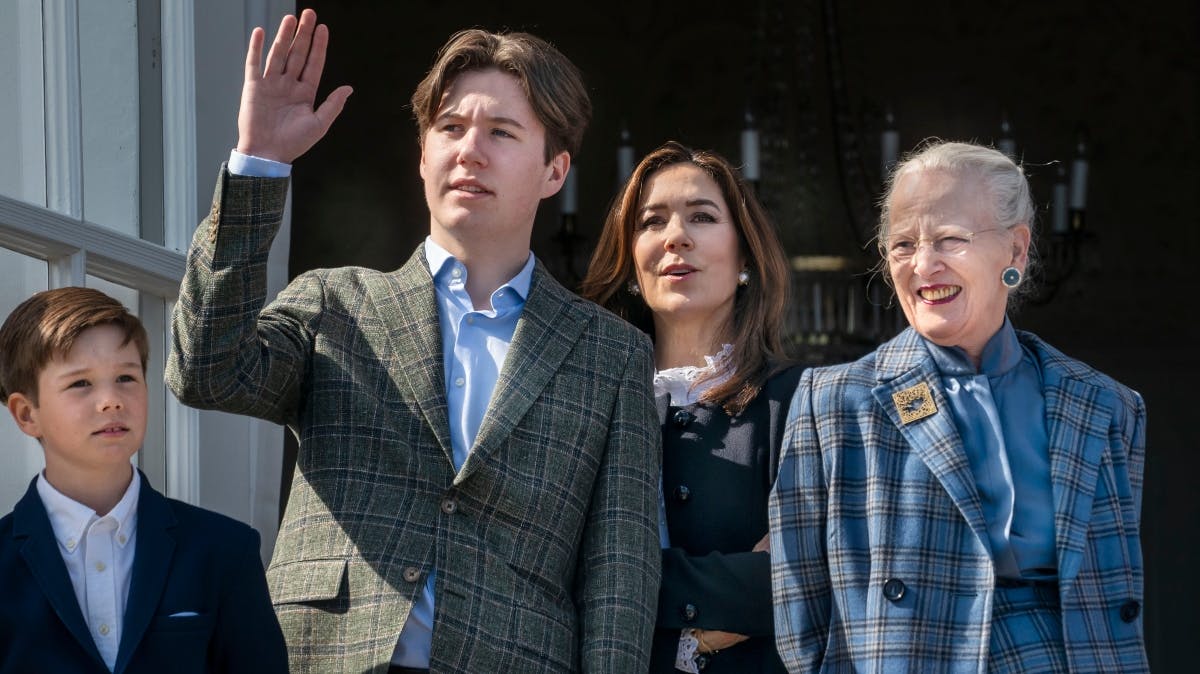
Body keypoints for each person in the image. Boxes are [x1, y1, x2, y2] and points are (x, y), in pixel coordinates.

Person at [165, 10, 660, 674]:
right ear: (423, 153)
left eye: (501, 132)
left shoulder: (611, 354)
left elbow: (619, 577)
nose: (469, 150)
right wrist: (260, 163)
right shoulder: (334, 302)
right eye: (450, 128)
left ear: (554, 171)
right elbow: (205, 369)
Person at [769, 140, 1148, 672]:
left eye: (950, 238)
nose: (924, 265)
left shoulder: (1106, 405)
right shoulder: (832, 403)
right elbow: (798, 610)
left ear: (1015, 251)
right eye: (903, 245)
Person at [581, 141, 799, 673]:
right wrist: (722, 604)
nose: (676, 236)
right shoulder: (585, 402)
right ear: (631, 261)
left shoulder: (801, 400)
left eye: (702, 217)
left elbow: (805, 575)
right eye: (651, 222)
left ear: (745, 255)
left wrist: (623, 582)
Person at [0, 287, 287, 674]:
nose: (111, 400)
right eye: (81, 383)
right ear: (26, 414)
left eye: (126, 377)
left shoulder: (226, 551)